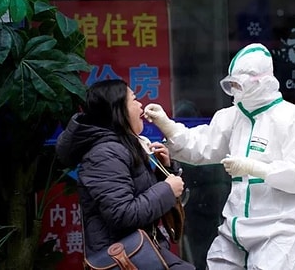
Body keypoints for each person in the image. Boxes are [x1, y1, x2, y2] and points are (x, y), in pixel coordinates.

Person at [143, 43, 295, 270]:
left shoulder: (294, 119)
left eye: (239, 84)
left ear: (260, 81)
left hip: (277, 233)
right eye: (231, 84)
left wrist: (256, 168)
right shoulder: (233, 117)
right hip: (233, 232)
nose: (235, 90)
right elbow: (202, 146)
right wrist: (167, 125)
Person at [55, 79, 195, 270]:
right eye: (134, 99)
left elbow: (143, 200)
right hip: (123, 259)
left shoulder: (123, 146)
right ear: (117, 109)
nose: (140, 105)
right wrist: (167, 189)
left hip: (142, 253)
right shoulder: (104, 154)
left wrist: (165, 171)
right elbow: (122, 214)